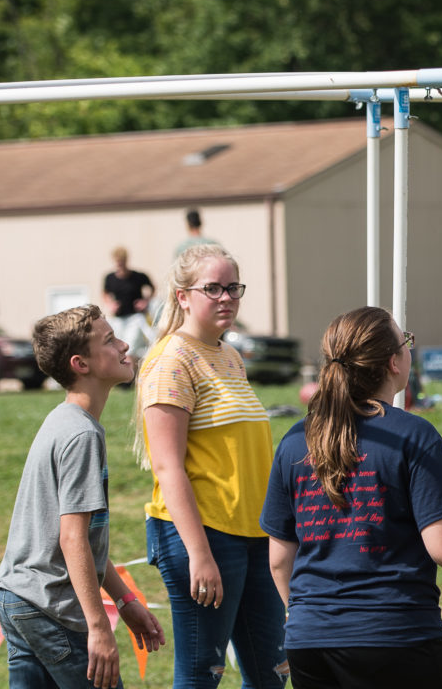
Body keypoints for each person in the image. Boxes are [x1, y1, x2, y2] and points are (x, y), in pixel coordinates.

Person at [262, 307, 442, 688]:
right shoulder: (412, 435)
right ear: (393, 362)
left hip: (309, 640)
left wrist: (307, 618)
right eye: (406, 341)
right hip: (396, 635)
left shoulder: (296, 441)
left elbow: (280, 561)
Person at [136, 244, 286, 689]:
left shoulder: (229, 356)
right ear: (182, 296)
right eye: (213, 288)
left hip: (254, 536)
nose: (226, 298)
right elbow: (167, 468)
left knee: (272, 676)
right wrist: (200, 555)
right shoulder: (170, 362)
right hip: (202, 537)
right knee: (202, 675)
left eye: (233, 288)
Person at [0, 306, 165, 689]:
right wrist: (99, 627)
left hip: (18, 599)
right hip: (49, 608)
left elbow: (86, 543)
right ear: (81, 364)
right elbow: (72, 539)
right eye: (109, 341)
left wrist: (125, 602)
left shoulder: (65, 420)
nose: (124, 344)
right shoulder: (81, 436)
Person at [103, 247, 157, 370]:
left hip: (135, 317)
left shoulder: (138, 276)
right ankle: (122, 376)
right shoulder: (110, 278)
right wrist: (110, 304)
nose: (119, 265)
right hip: (118, 319)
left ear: (126, 260)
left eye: (122, 261)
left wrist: (145, 301)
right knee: (117, 347)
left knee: (130, 346)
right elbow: (105, 293)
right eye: (117, 262)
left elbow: (152, 288)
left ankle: (128, 378)